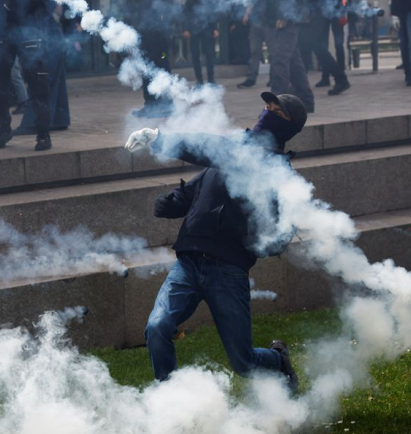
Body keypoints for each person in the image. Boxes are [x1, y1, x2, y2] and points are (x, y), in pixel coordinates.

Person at [123, 92, 308, 390]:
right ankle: (168, 401)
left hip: (228, 270)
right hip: (190, 261)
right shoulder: (237, 149)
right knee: (157, 328)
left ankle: (277, 359)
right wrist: (173, 202)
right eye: (268, 106)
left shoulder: (275, 169)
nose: (268, 112)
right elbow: (199, 186)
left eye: (278, 112)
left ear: (288, 128)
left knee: (243, 362)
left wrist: (160, 138)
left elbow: (207, 148)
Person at [0, 0, 67, 151]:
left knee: (37, 81)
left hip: (29, 28)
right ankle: (4, 128)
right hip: (1, 28)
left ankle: (43, 133)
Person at [125, 0, 176, 118]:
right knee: (149, 63)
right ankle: (153, 104)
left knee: (157, 63)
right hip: (148, 24)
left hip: (155, 25)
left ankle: (162, 104)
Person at [303, 0, 351, 95]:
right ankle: (330, 77)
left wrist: (340, 11)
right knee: (316, 45)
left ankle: (340, 78)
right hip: (315, 10)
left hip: (320, 11)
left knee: (318, 45)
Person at [237, 0, 273, 89]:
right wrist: (247, 13)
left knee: (273, 50)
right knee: (254, 50)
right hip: (257, 19)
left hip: (269, 19)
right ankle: (251, 77)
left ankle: (274, 77)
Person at [183, 0, 219, 86]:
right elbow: (186, 11)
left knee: (209, 54)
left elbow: (215, 12)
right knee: (195, 54)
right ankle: (199, 80)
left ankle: (211, 79)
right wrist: (186, 28)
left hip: (207, 27)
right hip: (194, 27)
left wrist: (215, 28)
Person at [228, 0, 253, 66]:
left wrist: (246, 15)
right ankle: (238, 57)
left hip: (245, 22)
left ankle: (244, 58)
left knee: (245, 42)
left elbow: (249, 5)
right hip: (237, 22)